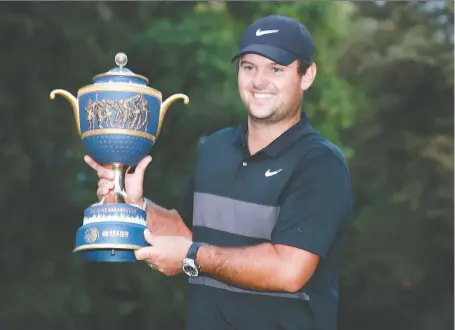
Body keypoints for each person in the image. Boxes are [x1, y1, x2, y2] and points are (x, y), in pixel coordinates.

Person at [85, 14, 353, 330]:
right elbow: (187, 234)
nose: (259, 81)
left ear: (306, 76)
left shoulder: (320, 164)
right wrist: (136, 206)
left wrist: (192, 258)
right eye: (249, 66)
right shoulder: (215, 147)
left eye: (276, 69)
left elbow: (288, 270)